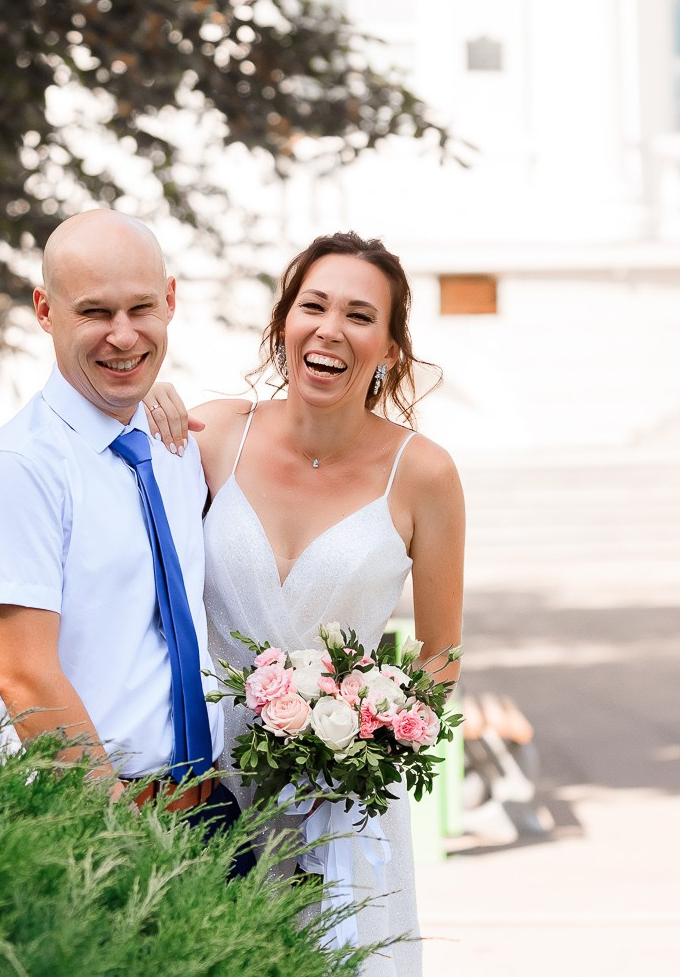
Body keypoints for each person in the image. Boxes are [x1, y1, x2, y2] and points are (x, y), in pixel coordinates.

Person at [180, 232, 467, 975]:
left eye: (360, 314)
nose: (331, 327)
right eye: (314, 304)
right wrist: (147, 392)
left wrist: (363, 743)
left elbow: (440, 657)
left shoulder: (424, 474)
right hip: (208, 777)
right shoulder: (213, 435)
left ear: (391, 349)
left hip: (344, 798)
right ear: (284, 324)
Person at [0, 209, 251, 871]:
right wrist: (118, 830)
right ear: (46, 311)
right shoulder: (15, 468)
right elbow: (23, 673)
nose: (123, 335)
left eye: (141, 306)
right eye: (94, 312)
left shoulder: (169, 444)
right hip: (86, 823)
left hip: (204, 807)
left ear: (170, 300)